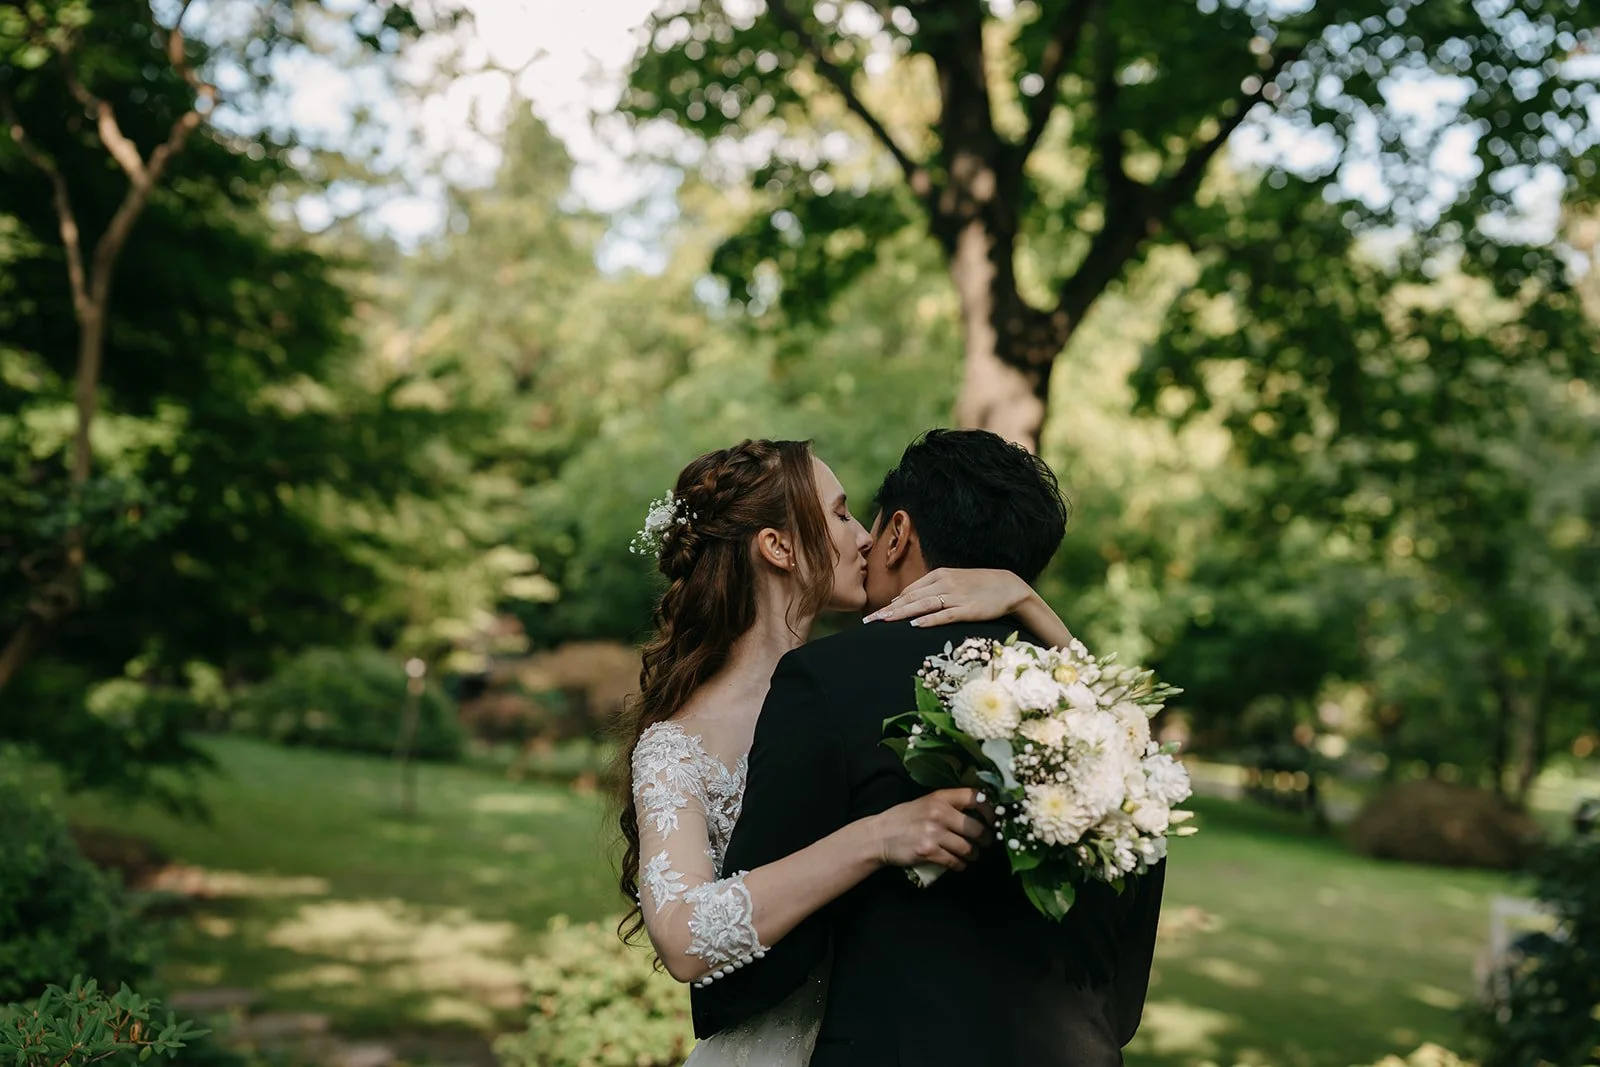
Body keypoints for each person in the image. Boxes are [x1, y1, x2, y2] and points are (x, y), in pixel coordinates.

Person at [693, 429, 1167, 1067]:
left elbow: (754, 965)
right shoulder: (1103, 715)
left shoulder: (828, 679)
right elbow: (1126, 950)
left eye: (866, 523)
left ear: (898, 534)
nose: (861, 542)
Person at [615, 437, 1075, 1066]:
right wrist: (876, 838)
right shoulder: (678, 744)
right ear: (778, 547)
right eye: (840, 514)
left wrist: (1026, 602)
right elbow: (683, 938)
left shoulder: (863, 691)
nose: (865, 538)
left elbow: (1092, 745)